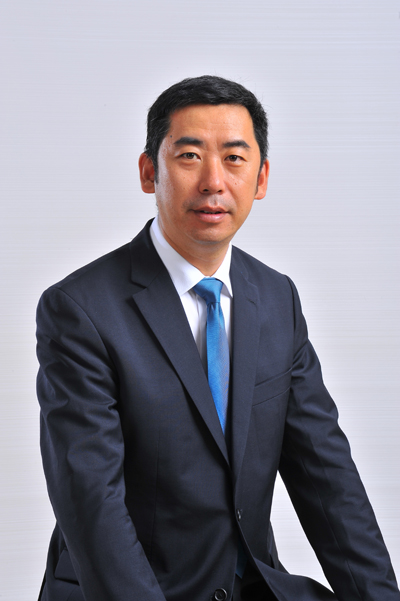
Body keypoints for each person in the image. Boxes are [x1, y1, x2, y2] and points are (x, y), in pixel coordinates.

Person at [36, 75, 399, 601]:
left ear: (261, 178)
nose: (213, 181)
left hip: (251, 584)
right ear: (149, 171)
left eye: (234, 158)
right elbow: (91, 503)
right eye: (189, 156)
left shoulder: (276, 298)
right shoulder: (80, 310)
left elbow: (327, 477)